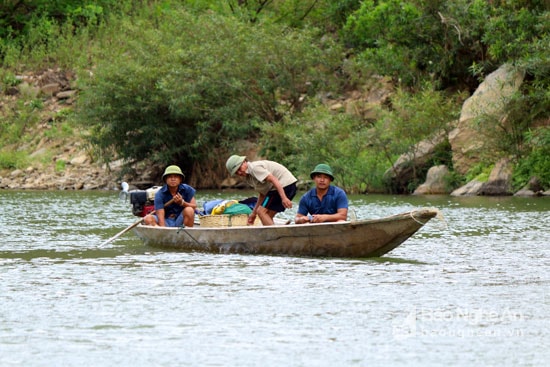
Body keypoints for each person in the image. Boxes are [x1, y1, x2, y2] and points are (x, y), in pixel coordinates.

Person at [226, 155, 297, 226]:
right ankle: (274, 234)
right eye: (236, 172)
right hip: (283, 187)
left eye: (239, 169)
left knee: (261, 212)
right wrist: (253, 215)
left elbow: (273, 179)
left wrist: (284, 198)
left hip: (285, 185)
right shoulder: (249, 177)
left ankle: (273, 235)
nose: (239, 173)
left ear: (244, 162)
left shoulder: (254, 168)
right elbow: (263, 194)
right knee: (267, 216)